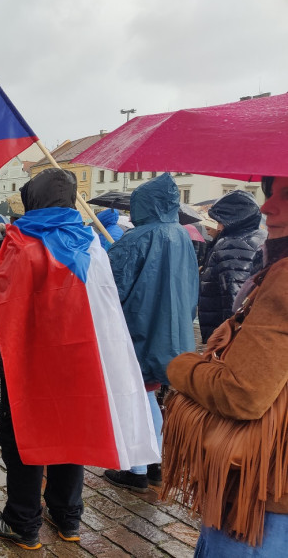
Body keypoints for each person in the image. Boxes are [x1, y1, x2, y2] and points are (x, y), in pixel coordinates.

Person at [0, 168, 158, 550]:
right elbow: (105, 307)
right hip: (79, 363)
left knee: (23, 436)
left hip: (29, 364)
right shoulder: (92, 244)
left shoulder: (21, 241)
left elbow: (2, 305)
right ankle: (67, 516)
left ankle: (22, 521)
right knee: (69, 432)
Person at [162, 175, 288, 556]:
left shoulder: (284, 278)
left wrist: (182, 368)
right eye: (270, 193)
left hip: (264, 496)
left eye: (287, 195)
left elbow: (243, 392)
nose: (267, 207)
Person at [103, 172, 199, 492]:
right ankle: (155, 461)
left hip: (139, 329)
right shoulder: (182, 236)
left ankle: (136, 469)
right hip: (172, 331)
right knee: (150, 396)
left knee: (136, 398)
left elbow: (110, 288)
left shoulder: (138, 237)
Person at [197, 190, 266, 343]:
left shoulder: (232, 243)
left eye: (220, 220)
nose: (218, 227)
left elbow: (234, 296)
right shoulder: (260, 236)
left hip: (227, 333)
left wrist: (226, 340)